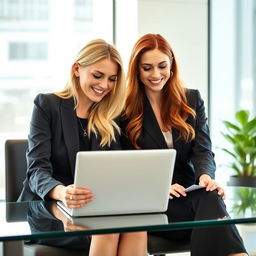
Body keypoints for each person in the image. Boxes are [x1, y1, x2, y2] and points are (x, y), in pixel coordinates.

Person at [121, 33, 248, 256]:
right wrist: (157, 187)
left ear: (172, 66)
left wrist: (205, 178)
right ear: (137, 70)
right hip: (150, 203)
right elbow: (122, 164)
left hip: (188, 197)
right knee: (211, 207)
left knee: (209, 195)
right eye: (147, 68)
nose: (156, 74)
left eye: (162, 66)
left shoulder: (191, 100)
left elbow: (203, 150)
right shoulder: (124, 109)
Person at [18, 39, 147, 256]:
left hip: (96, 208)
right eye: (98, 76)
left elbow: (117, 170)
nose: (105, 85)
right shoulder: (47, 105)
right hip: (52, 210)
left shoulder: (111, 116)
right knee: (109, 231)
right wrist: (62, 192)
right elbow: (36, 170)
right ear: (77, 69)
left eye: (112, 79)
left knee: (137, 230)